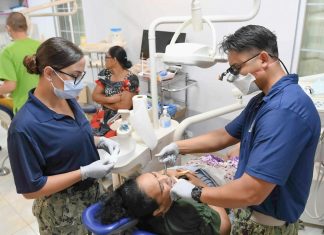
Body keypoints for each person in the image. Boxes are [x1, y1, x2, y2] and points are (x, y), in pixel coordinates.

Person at [157, 25, 321, 234]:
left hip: (265, 224)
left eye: (236, 68)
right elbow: (225, 135)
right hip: (246, 212)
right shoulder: (263, 101)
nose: (232, 76)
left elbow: (252, 192)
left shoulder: (285, 111)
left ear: (263, 58)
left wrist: (197, 193)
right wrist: (178, 146)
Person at [7, 37, 121, 234]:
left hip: (93, 194)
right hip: (62, 212)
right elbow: (31, 189)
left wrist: (100, 142)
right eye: (75, 75)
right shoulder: (24, 127)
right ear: (49, 73)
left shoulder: (67, 100)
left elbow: (68, 139)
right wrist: (83, 172)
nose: (79, 83)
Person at [96, 166, 231, 235]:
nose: (164, 177)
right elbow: (225, 227)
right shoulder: (189, 209)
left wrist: (168, 176)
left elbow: (157, 181)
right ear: (159, 210)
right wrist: (199, 189)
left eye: (155, 174)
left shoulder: (139, 209)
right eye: (161, 186)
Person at [92, 45, 139, 136]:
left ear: (115, 60)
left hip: (120, 119)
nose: (105, 60)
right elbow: (94, 96)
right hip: (102, 116)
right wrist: (110, 99)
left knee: (108, 139)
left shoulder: (131, 79)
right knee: (89, 136)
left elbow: (123, 107)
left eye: (106, 57)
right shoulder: (105, 74)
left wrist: (103, 101)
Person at [0, 12, 40, 114]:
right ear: (26, 27)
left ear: (8, 28)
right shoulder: (40, 46)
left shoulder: (7, 52)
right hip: (45, 104)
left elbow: (10, 85)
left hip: (25, 108)